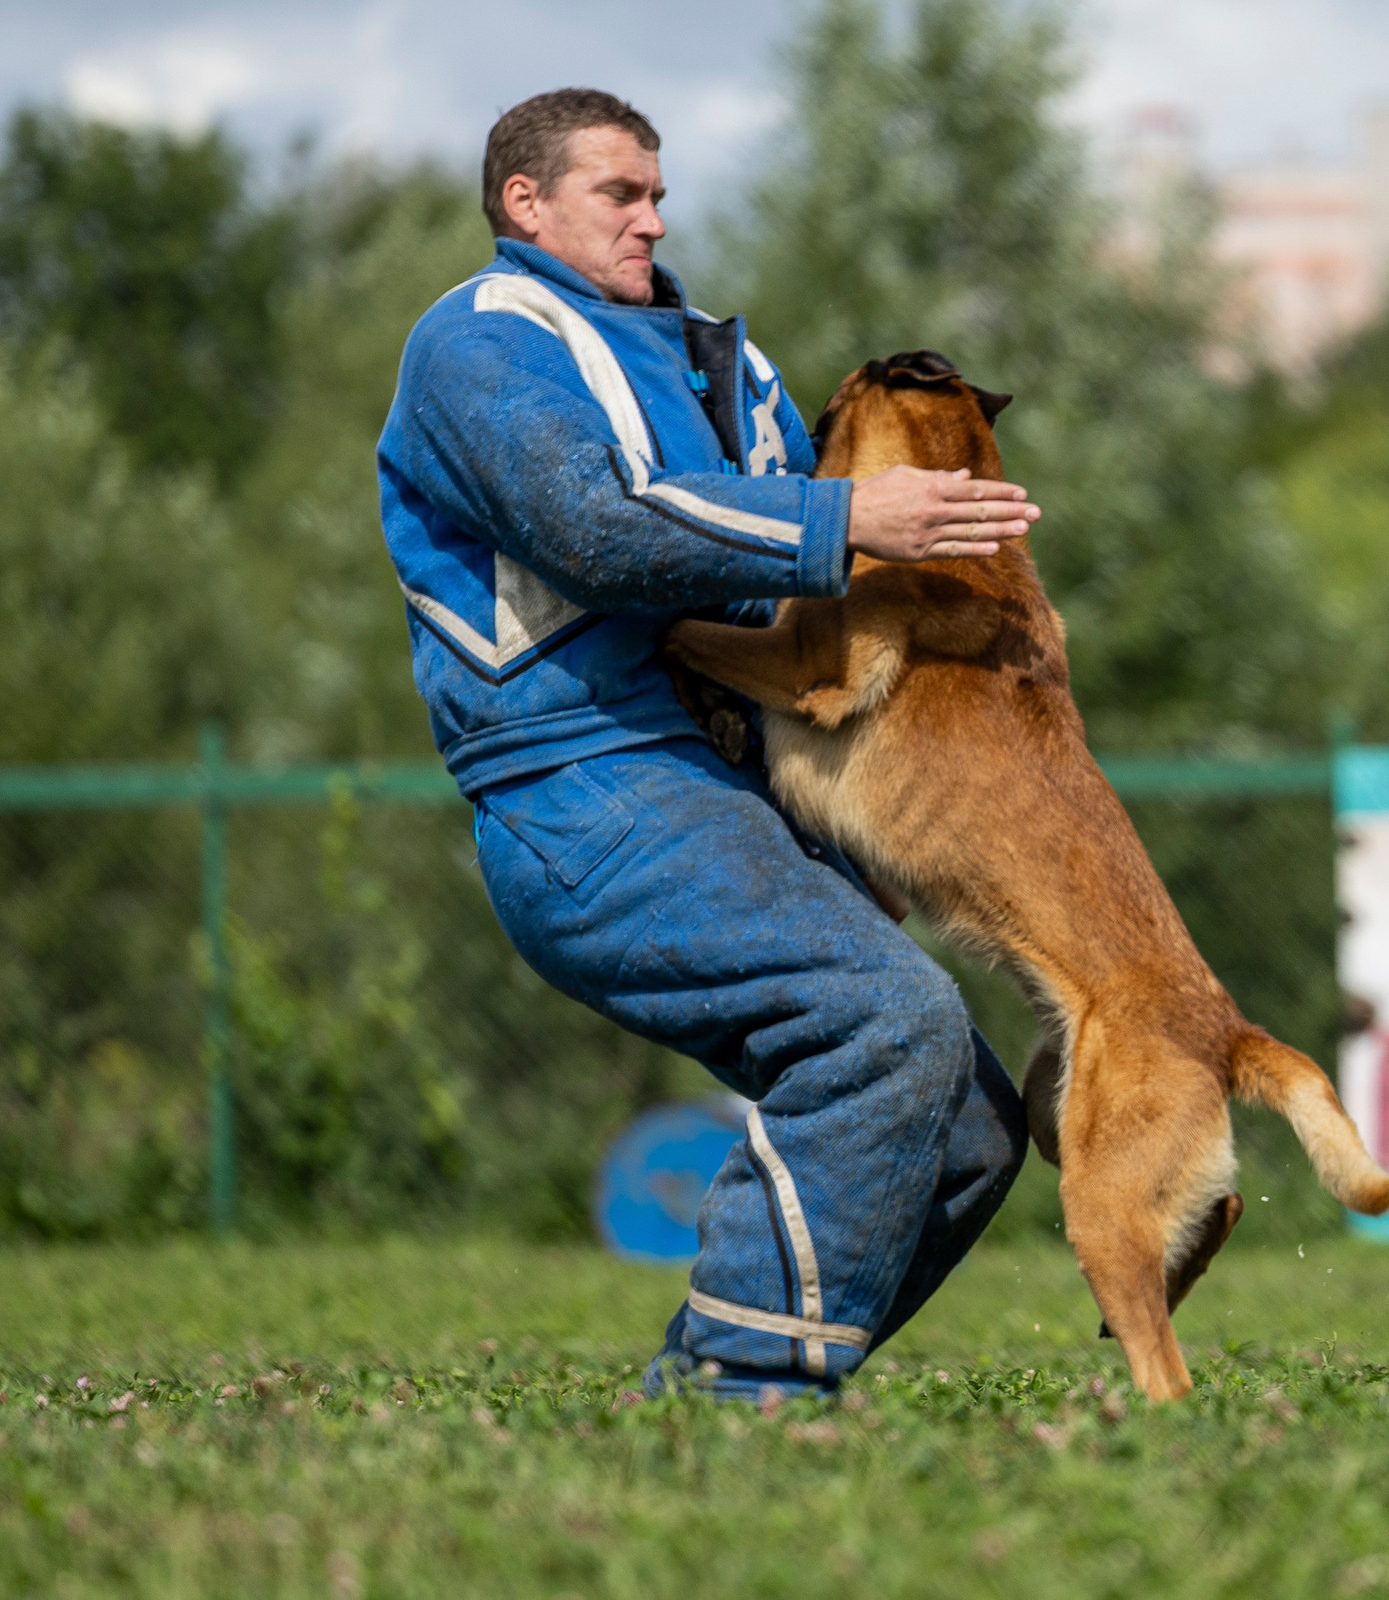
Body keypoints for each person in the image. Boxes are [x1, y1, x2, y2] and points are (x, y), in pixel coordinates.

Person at [376, 89, 1039, 1398]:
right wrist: (851, 513)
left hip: (733, 798)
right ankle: (741, 1404)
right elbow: (599, 529)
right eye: (620, 194)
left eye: (657, 193)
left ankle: (693, 1400)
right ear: (526, 201)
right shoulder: (480, 341)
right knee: (881, 1027)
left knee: (966, 1129)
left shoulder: (716, 362)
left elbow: (797, 607)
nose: (654, 218)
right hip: (587, 793)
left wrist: (865, 808)